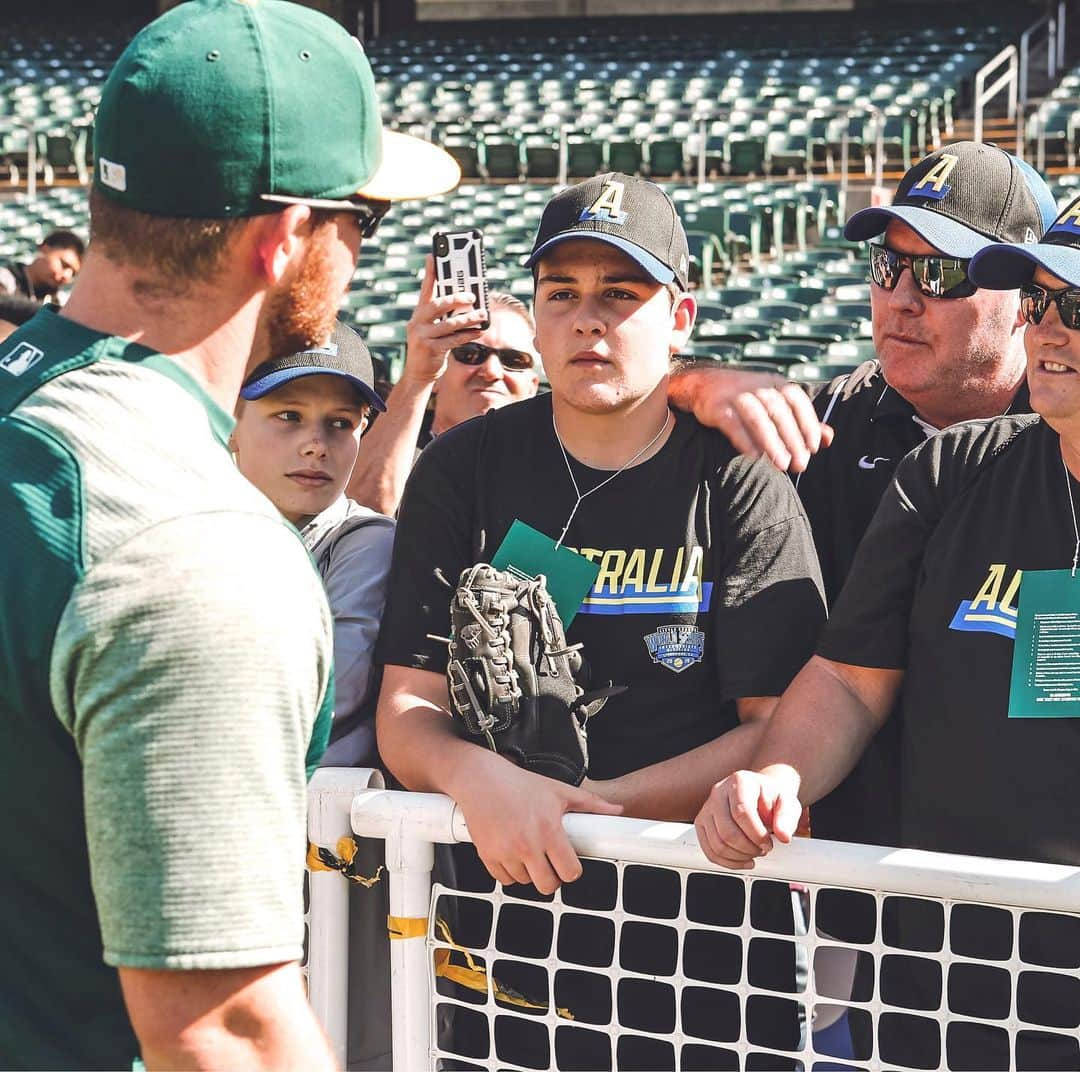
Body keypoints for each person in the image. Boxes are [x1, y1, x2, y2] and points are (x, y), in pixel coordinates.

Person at [0, 2, 459, 1069]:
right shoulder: (193, 540)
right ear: (284, 239)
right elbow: (224, 1029)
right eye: (362, 224)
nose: (358, 259)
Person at [375, 172, 826, 1066]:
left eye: (621, 294)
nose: (589, 319)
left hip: (709, 933)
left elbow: (777, 729)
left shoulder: (736, 477)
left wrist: (592, 812)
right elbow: (406, 706)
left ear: (681, 316)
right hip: (508, 922)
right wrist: (477, 776)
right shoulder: (464, 465)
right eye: (563, 295)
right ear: (535, 318)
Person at [695, 195, 1080, 1071]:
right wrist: (777, 776)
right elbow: (848, 679)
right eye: (1041, 301)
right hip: (941, 952)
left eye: (1079, 308)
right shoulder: (951, 467)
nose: (1051, 329)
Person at [676, 142, 1058, 850]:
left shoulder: (1060, 433)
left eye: (943, 274)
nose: (903, 299)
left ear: (1026, 297)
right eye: (889, 265)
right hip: (860, 869)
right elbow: (610, 421)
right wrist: (694, 381)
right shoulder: (821, 424)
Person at [348, 271, 540, 514]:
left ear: (533, 385)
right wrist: (418, 377)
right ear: (437, 375)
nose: (492, 371)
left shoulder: (556, 466)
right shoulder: (398, 452)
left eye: (514, 360)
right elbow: (361, 514)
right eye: (470, 354)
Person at [0, 228, 84, 301]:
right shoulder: (5, 279)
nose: (66, 276)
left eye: (73, 274)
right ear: (44, 249)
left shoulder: (56, 302)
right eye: (64, 265)